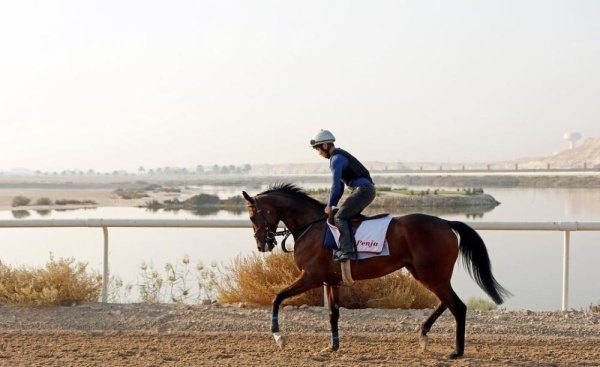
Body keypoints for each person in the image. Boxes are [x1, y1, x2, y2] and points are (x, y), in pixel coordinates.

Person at [310, 129, 376, 262]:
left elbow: (335, 186)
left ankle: (348, 252)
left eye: (318, 149)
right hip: (365, 189)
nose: (319, 153)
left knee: (340, 217)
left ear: (325, 145)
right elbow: (339, 187)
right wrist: (332, 205)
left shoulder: (336, 159)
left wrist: (329, 206)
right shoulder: (338, 157)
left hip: (363, 190)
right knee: (345, 215)